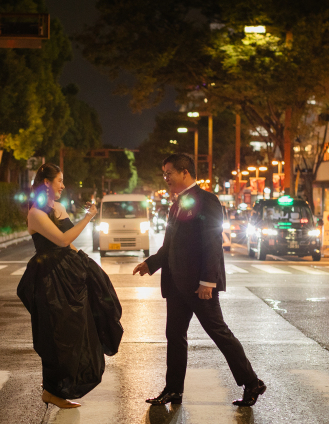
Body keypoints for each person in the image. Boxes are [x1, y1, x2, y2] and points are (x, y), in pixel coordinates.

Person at [133, 153, 265, 407]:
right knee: (175, 335)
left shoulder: (208, 201)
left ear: (185, 172)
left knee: (219, 333)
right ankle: (173, 390)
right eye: (164, 174)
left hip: (198, 286)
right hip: (176, 284)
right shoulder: (175, 205)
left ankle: (252, 382)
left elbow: (213, 243)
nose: (166, 178)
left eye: (169, 173)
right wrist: (150, 264)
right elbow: (168, 247)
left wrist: (207, 281)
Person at [17, 163, 124, 409]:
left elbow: (70, 247)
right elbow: (63, 240)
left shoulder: (59, 208)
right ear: (47, 182)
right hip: (49, 279)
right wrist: (88, 217)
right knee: (56, 335)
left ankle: (62, 387)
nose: (63, 186)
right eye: (60, 181)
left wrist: (86, 266)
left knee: (78, 332)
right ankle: (52, 391)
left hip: (69, 276)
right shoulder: (36, 214)